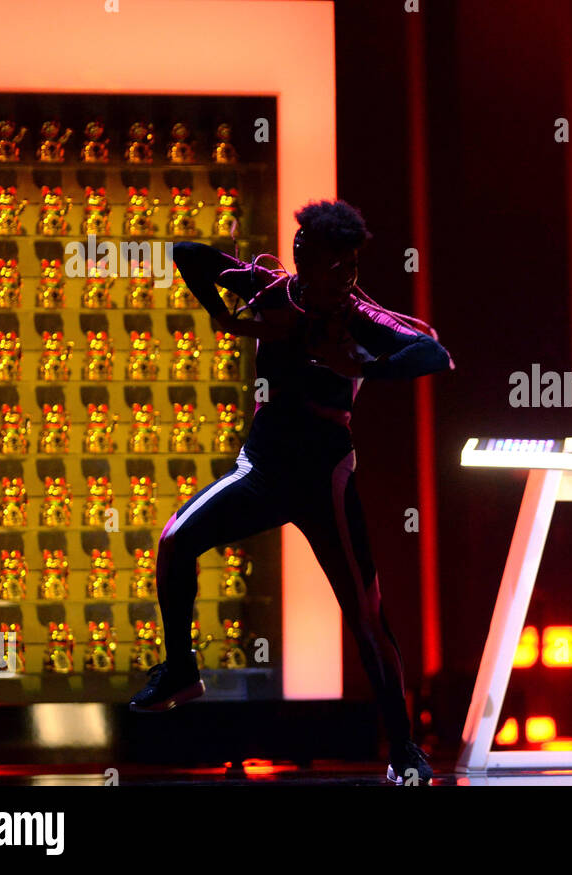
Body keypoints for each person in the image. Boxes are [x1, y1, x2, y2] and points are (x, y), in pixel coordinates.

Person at [128, 199, 453, 785]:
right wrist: (223, 317)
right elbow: (188, 255)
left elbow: (432, 351)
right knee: (176, 541)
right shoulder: (273, 290)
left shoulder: (358, 318)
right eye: (335, 265)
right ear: (305, 258)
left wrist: (362, 366)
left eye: (353, 266)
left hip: (323, 478)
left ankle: (404, 750)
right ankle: (181, 669)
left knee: (366, 615)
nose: (347, 278)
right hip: (262, 470)